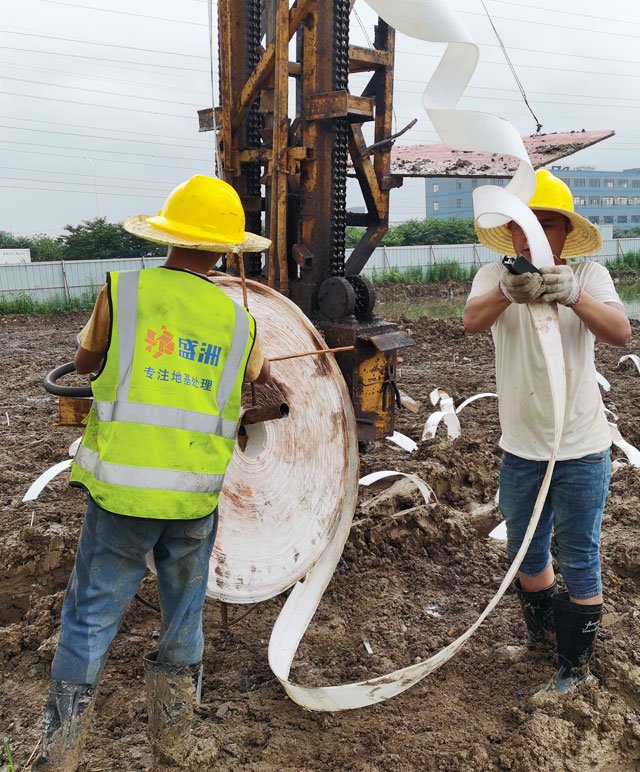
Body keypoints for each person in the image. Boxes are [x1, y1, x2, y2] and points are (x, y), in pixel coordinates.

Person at [33, 175, 272, 771]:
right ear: (224, 250)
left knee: (89, 617)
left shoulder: (126, 291)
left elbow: (86, 362)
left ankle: (58, 755)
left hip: (122, 496)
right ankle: (175, 739)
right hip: (194, 500)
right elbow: (256, 379)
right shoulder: (239, 321)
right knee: (184, 616)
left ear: (166, 234)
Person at [463, 169, 631, 694]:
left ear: (564, 233)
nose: (531, 233)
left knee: (579, 553)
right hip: (521, 448)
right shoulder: (494, 276)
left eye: (545, 224)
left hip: (581, 448)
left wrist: (573, 294)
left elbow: (621, 332)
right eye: (522, 223)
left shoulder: (591, 276)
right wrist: (508, 295)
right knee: (526, 552)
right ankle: (540, 641)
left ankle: (573, 668)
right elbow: (471, 322)